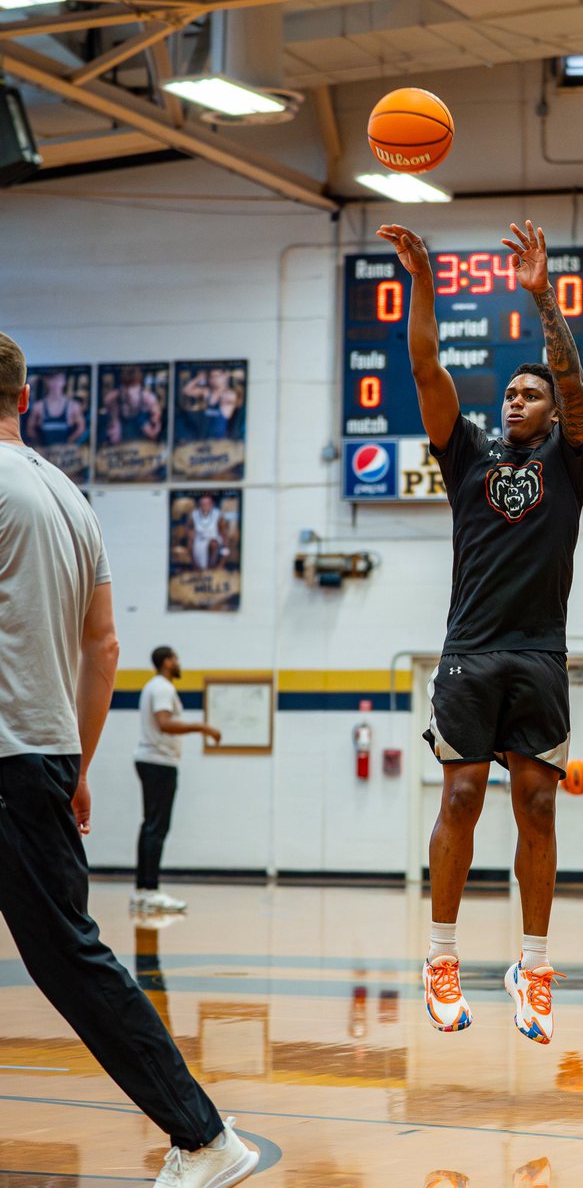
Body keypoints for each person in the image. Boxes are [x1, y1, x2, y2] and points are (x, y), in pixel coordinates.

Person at [0, 332, 258, 1188]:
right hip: (42, 757)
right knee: (69, 955)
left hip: (6, 762)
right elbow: (104, 648)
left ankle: (205, 1134)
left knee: (69, 960)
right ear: (27, 399)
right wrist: (76, 768)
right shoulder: (72, 498)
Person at [377, 218, 583, 1045]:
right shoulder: (466, 453)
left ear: (553, 411)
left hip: (540, 653)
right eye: (510, 391)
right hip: (470, 651)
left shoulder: (568, 458)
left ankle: (532, 966)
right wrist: (423, 278)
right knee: (463, 793)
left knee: (537, 805)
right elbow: (426, 365)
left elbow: (573, 386)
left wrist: (543, 299)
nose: (517, 397)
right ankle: (442, 957)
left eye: (530, 392)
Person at [132, 646, 221, 914]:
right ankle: (150, 892)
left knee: (151, 826)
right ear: (167, 661)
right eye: (176, 658)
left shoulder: (156, 686)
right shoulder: (162, 688)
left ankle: (143, 891)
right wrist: (203, 727)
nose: (179, 663)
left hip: (154, 762)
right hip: (158, 762)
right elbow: (165, 723)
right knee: (156, 828)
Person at [25, 369, 85, 448]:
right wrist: (40, 444)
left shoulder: (73, 406)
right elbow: (30, 429)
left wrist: (68, 442)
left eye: (59, 379)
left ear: (64, 381)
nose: (56, 384)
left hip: (65, 453)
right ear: (47, 382)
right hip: (45, 453)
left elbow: (81, 427)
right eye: (52, 380)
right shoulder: (38, 407)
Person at [188, 493, 229, 570]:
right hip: (199, 542)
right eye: (203, 504)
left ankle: (212, 568)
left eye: (208, 503)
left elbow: (224, 535)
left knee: (213, 543)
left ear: (212, 504)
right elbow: (190, 536)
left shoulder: (218, 515)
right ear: (199, 505)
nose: (205, 506)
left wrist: (225, 554)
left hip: (214, 541)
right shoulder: (194, 515)